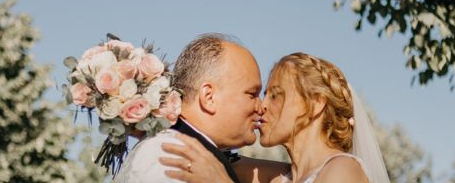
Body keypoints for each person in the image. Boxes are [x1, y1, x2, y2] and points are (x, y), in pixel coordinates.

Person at [161, 52, 390, 183]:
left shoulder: (342, 170)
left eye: (276, 96)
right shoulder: (277, 177)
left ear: (316, 105)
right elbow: (208, 152)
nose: (261, 106)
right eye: (263, 95)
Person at [115, 33, 266, 183]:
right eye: (252, 94)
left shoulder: (191, 156)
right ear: (209, 96)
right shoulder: (170, 156)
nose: (262, 107)